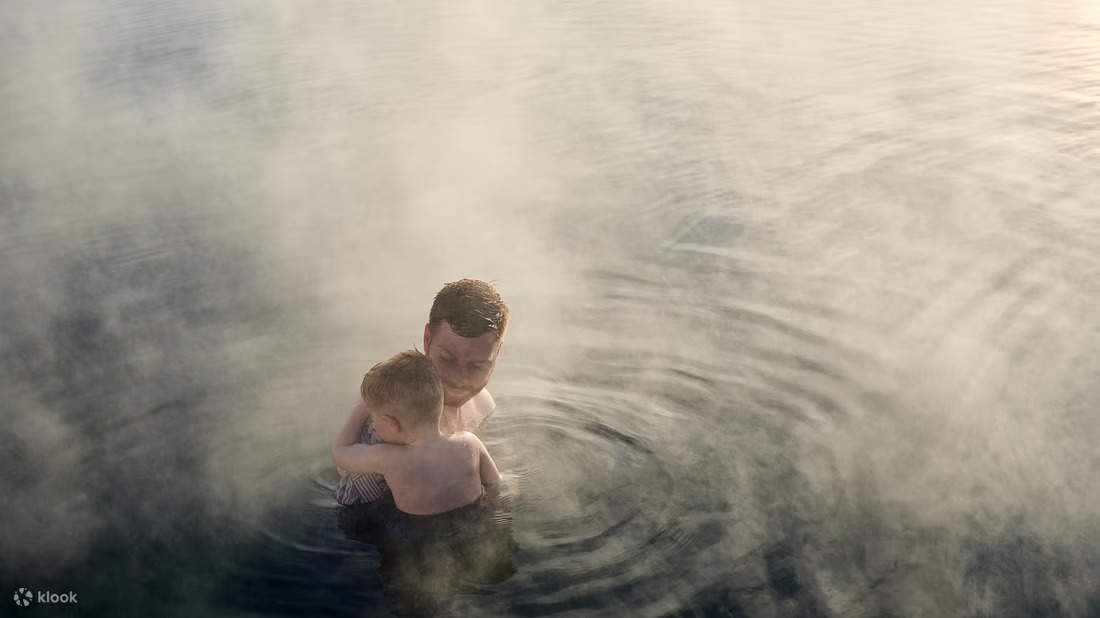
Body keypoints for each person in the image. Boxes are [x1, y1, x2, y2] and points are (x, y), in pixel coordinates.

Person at [334, 279, 509, 506]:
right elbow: (353, 506)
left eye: (477, 366)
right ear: (427, 339)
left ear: (496, 354)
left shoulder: (483, 404)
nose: (459, 379)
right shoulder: (388, 425)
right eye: (447, 359)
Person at [332, 349, 502, 516]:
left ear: (392, 424)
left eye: (375, 421)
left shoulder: (388, 458)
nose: (374, 427)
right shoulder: (470, 443)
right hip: (473, 521)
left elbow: (341, 451)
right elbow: (496, 484)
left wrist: (361, 409)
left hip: (417, 534)